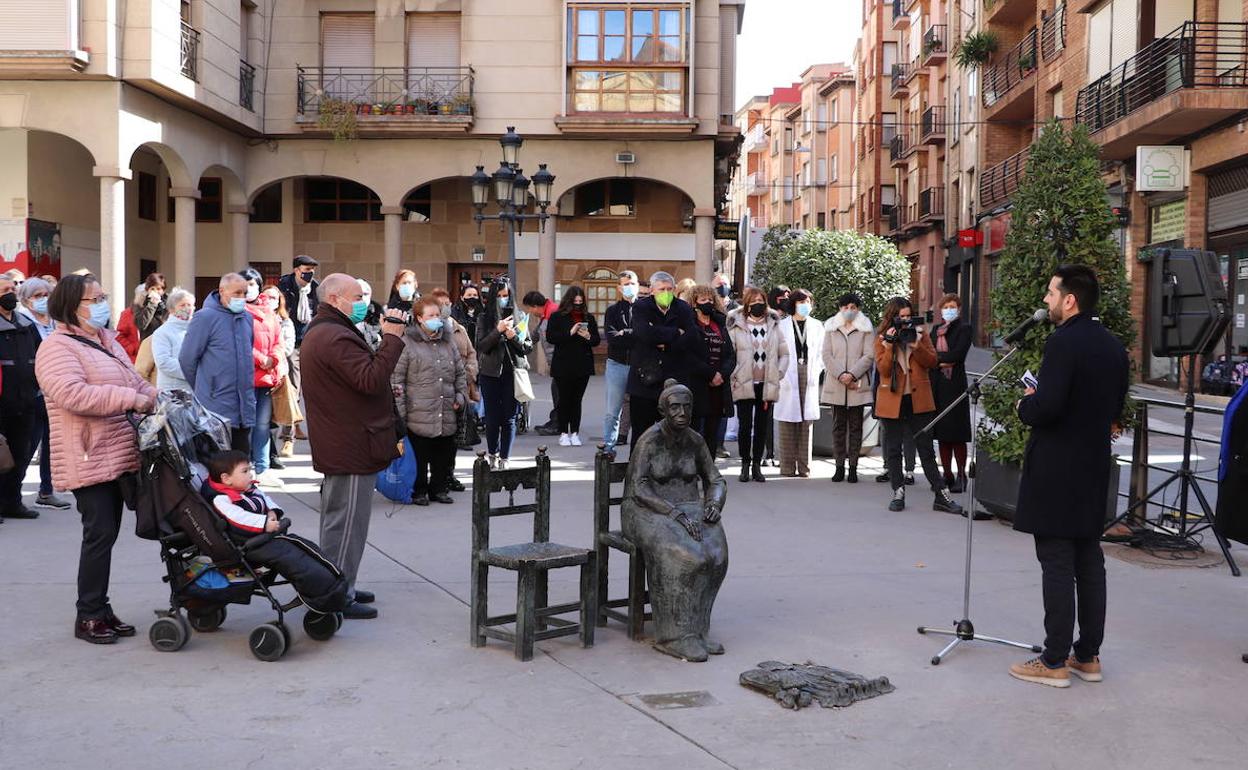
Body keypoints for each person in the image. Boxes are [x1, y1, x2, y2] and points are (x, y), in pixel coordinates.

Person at [1009, 265, 1129, 689]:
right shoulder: (1114, 346)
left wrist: (1027, 404)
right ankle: (1088, 655)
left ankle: (1055, 659)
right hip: (1093, 466)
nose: (1046, 300)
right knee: (1088, 560)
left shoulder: (1063, 343)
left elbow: (1049, 407)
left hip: (1057, 469)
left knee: (1057, 562)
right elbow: (1115, 407)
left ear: (1069, 299)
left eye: (1050, 292)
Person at [35, 274, 158, 643]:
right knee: (99, 534)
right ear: (73, 305)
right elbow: (72, 394)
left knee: (107, 534)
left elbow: (134, 381)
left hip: (118, 451)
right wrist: (129, 399)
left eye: (104, 296)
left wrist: (153, 395)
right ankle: (88, 615)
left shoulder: (105, 340)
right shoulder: (57, 348)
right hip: (87, 455)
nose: (103, 303)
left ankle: (101, 609)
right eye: (96, 298)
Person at [300, 273, 409, 620]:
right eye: (357, 295)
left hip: (346, 440)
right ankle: (337, 593)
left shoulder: (332, 331)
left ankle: (339, 581)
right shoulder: (333, 335)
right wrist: (392, 339)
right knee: (346, 524)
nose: (364, 301)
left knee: (340, 522)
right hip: (349, 444)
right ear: (335, 299)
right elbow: (370, 379)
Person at [621, 378, 728, 663]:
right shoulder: (649, 441)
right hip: (645, 511)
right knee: (686, 557)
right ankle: (672, 636)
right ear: (664, 411)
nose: (681, 413)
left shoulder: (695, 440)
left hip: (689, 510)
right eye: (675, 408)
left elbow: (715, 479)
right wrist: (674, 513)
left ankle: (698, 630)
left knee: (716, 556)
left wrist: (714, 503)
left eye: (686, 408)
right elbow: (639, 488)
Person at [199, 450, 348, 614]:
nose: (250, 474)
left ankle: (332, 586)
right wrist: (263, 523)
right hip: (248, 545)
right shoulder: (221, 499)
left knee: (305, 549)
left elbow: (262, 496)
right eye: (245, 471)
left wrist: (272, 511)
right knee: (294, 560)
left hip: (264, 538)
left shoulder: (244, 488)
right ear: (226, 478)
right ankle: (324, 593)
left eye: (250, 469)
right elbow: (238, 519)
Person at [874, 297, 962, 514]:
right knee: (894, 449)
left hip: (918, 398)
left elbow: (932, 362)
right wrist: (889, 346)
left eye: (908, 316)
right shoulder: (882, 338)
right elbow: (883, 371)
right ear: (892, 318)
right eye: (900, 317)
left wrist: (916, 345)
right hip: (892, 400)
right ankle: (898, 492)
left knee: (925, 449)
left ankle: (941, 495)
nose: (905, 321)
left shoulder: (921, 335)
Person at [393, 296, 468, 506]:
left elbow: (460, 374)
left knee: (443, 456)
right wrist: (401, 414)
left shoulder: (448, 342)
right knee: (419, 456)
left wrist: (460, 397)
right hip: (418, 412)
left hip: (446, 409)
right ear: (419, 318)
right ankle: (419, 491)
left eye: (438, 315)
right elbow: (397, 381)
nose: (436, 319)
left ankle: (439, 489)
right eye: (431, 315)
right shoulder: (407, 344)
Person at [179, 273, 256, 452]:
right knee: (219, 467)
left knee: (241, 465)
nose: (242, 298)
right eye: (237, 293)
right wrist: (206, 387)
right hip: (216, 408)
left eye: (244, 293)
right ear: (222, 291)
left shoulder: (247, 318)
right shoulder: (205, 317)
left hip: (243, 407)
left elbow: (247, 356)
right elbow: (187, 359)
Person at [17, 277, 71, 510]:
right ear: (26, 299)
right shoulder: (22, 323)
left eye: (46, 294)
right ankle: (11, 491)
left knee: (52, 444)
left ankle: (46, 490)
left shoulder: (54, 323)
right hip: (34, 392)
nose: (43, 300)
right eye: (37, 296)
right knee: (28, 444)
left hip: (55, 392)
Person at [626, 271, 698, 445]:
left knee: (675, 433)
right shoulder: (641, 307)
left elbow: (691, 337)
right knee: (641, 433)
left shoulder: (683, 308)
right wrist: (674, 332)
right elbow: (643, 333)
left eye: (668, 289)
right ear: (652, 290)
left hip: (675, 377)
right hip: (645, 379)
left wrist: (665, 342)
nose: (665, 293)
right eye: (661, 289)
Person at [726, 286, 787, 483]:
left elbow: (784, 353)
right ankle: (745, 463)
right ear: (746, 304)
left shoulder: (774, 325)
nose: (757, 305)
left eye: (761, 301)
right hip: (744, 381)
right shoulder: (736, 325)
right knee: (745, 425)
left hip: (766, 382)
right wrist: (733, 374)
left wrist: (778, 374)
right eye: (753, 302)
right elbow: (730, 354)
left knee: (762, 426)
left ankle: (757, 466)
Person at [0, 273, 44, 520]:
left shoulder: (26, 325)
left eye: (12, 288)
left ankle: (12, 502)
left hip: (26, 400)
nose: (11, 292)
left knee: (21, 453)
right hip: (2, 402)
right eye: (5, 289)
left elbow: (42, 356)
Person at [476, 279, 533, 469]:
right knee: (492, 418)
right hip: (490, 373)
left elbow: (527, 347)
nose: (503, 299)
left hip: (512, 373)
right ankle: (492, 453)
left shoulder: (521, 316)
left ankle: (505, 459)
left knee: (509, 418)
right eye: (499, 296)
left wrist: (513, 336)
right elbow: (482, 346)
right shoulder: (484, 318)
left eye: (506, 295)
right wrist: (497, 331)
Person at [821, 292, 875, 484]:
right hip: (837, 384)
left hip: (856, 384)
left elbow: (869, 355)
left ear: (858, 309)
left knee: (855, 427)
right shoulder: (831, 328)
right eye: (845, 307)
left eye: (853, 307)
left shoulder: (866, 329)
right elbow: (826, 355)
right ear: (840, 309)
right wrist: (841, 375)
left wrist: (852, 374)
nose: (849, 311)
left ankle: (853, 467)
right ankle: (839, 467)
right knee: (838, 427)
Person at [430, 287, 479, 492]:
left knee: (453, 438)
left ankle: (449, 475)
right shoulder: (431, 329)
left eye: (447, 304)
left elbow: (471, 353)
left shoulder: (459, 328)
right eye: (441, 305)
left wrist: (469, 373)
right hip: (437, 392)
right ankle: (435, 479)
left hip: (460, 389)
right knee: (436, 439)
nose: (445, 308)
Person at [240, 268, 285, 488]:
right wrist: (261, 359)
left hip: (266, 378)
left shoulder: (269, 311)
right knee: (245, 425)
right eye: (246, 283)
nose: (250, 287)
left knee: (263, 425)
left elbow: (278, 339)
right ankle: (246, 467)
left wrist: (273, 358)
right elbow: (239, 343)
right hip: (246, 378)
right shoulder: (237, 311)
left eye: (254, 283)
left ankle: (263, 467)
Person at [775, 290, 825, 478]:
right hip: (787, 373)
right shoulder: (782, 326)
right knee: (787, 419)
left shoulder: (817, 326)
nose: (805, 304)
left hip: (809, 372)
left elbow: (821, 351)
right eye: (801, 301)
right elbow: (777, 352)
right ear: (793, 304)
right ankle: (787, 466)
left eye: (808, 301)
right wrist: (781, 372)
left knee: (806, 421)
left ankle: (805, 467)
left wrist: (818, 370)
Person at [546, 286, 600, 447]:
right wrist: (570, 332)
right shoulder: (557, 317)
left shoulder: (588, 318)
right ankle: (563, 433)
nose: (577, 304)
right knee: (564, 400)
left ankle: (575, 433)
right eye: (575, 302)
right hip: (563, 364)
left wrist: (588, 335)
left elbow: (596, 340)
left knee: (577, 400)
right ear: (568, 301)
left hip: (582, 365)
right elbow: (551, 337)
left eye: (580, 302)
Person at [686, 284, 736, 458]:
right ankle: (693, 470)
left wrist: (721, 374)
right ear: (694, 303)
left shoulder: (719, 323)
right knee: (694, 430)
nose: (707, 303)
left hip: (719, 386)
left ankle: (709, 469)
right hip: (698, 384)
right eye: (702, 300)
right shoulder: (689, 324)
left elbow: (730, 354)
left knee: (712, 432)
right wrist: (710, 374)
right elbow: (688, 355)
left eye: (710, 299)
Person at [930, 293, 974, 492]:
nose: (949, 309)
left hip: (955, 386)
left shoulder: (964, 328)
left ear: (959, 308)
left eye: (952, 306)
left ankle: (961, 475)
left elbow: (958, 354)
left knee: (957, 434)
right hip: (938, 386)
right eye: (945, 306)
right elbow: (930, 357)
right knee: (943, 435)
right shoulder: (935, 330)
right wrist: (943, 360)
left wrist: (941, 359)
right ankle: (947, 474)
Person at [276, 255, 319, 443]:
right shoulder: (284, 287)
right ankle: (289, 431)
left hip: (309, 342)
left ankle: (295, 425)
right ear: (296, 270)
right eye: (306, 269)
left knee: (305, 388)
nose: (309, 273)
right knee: (293, 387)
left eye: (312, 270)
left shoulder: (315, 289)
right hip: (291, 343)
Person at [261, 285, 298, 464]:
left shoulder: (285, 322)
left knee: (275, 416)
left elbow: (288, 348)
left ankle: (274, 451)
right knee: (261, 418)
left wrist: (270, 356)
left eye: (274, 298)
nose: (270, 301)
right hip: (259, 373)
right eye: (266, 297)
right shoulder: (254, 318)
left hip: (278, 374)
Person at [603, 270, 638, 453]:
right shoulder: (613, 311)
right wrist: (631, 335)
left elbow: (645, 335)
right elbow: (612, 338)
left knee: (641, 410)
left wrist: (626, 332)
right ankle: (608, 448)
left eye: (632, 283)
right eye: (625, 284)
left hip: (639, 364)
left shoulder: (645, 308)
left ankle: (641, 451)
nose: (629, 287)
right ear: (619, 288)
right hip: (617, 364)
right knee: (612, 411)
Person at [522, 290, 561, 436]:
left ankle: (558, 424)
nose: (531, 312)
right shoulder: (546, 314)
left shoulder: (553, 314)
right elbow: (535, 335)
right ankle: (555, 421)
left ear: (535, 306)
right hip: (556, 362)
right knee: (557, 392)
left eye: (530, 309)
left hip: (562, 362)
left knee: (559, 393)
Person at [151, 287, 195, 393]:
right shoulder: (162, 332)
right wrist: (192, 371)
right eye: (182, 305)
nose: (187, 308)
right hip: (172, 390)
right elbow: (164, 362)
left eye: (189, 305)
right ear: (172, 309)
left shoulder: (197, 330)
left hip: (195, 389)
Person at [114, 283, 145, 362]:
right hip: (135, 359)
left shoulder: (154, 313)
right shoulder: (127, 314)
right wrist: (133, 348)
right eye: (143, 296)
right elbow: (119, 336)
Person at [132, 272, 167, 340]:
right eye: (152, 289)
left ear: (163, 290)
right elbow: (141, 325)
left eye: (158, 289)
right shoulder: (140, 303)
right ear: (147, 290)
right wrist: (152, 304)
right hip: (148, 342)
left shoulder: (168, 302)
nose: (155, 292)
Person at [451, 283, 483, 348]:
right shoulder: (454, 313)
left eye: (475, 295)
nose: (472, 297)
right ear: (462, 297)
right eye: (469, 295)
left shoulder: (483, 313)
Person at [356, 279, 383, 351]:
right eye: (359, 295)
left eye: (365, 294)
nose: (363, 298)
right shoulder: (341, 316)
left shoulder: (379, 317)